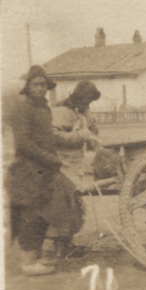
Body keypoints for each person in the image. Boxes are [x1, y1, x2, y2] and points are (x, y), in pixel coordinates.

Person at [6, 66, 61, 275]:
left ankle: (36, 257)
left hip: (44, 170)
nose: (40, 89)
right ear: (28, 87)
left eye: (44, 85)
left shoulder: (44, 108)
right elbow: (23, 144)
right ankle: (28, 263)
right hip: (27, 170)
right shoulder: (23, 108)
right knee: (30, 213)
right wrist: (49, 159)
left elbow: (48, 137)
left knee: (42, 212)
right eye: (36, 84)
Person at [46, 80, 102, 259]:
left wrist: (93, 135)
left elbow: (91, 132)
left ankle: (67, 245)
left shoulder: (81, 112)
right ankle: (59, 249)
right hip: (61, 165)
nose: (88, 104)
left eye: (90, 101)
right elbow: (53, 136)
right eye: (87, 100)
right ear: (78, 98)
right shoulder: (62, 111)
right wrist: (81, 136)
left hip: (75, 165)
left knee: (75, 206)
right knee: (64, 206)